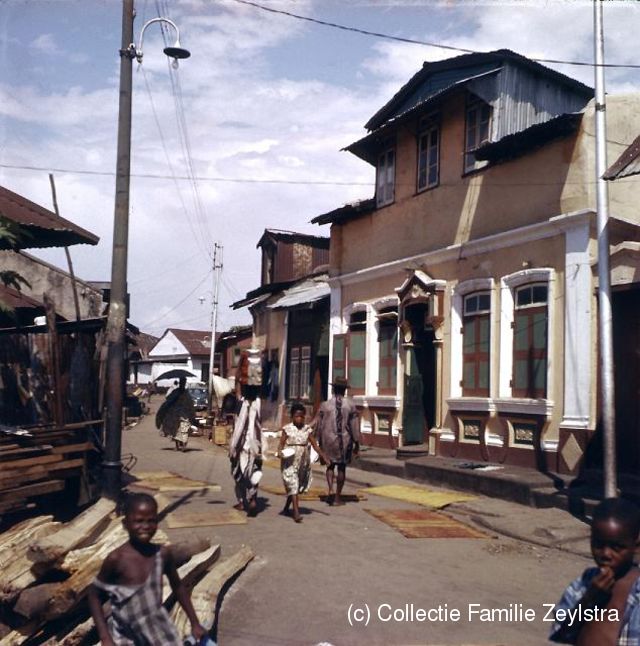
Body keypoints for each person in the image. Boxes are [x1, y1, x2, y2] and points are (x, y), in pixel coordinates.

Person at [88, 493, 207, 646]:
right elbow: (94, 595)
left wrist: (195, 623)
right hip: (126, 633)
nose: (145, 526)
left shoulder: (162, 555)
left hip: (157, 629)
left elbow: (178, 587)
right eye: (138, 521)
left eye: (151, 521)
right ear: (125, 524)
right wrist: (105, 637)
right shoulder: (116, 559)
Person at [549, 497, 640, 644]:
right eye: (598, 545)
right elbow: (561, 634)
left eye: (616, 548)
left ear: (636, 546)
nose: (606, 554)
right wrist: (588, 600)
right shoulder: (584, 583)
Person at [277, 401, 329, 523]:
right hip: (289, 462)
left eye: (301, 416)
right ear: (292, 417)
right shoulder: (287, 429)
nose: (299, 419)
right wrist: (280, 452)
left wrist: (324, 456)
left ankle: (286, 507)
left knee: (295, 486)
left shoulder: (307, 430)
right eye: (296, 416)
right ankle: (296, 513)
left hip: (302, 463)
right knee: (293, 484)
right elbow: (281, 444)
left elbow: (315, 445)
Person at [313, 376, 361, 506]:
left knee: (330, 465)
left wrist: (317, 440)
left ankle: (330, 489)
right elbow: (354, 426)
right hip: (344, 440)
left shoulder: (325, 405)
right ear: (345, 390)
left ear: (333, 389)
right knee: (341, 467)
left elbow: (318, 424)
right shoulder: (350, 405)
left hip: (328, 440)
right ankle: (337, 497)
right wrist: (357, 443)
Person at [228, 384, 262, 516]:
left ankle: (243, 501)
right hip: (256, 445)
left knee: (238, 474)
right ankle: (252, 499)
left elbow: (239, 428)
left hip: (243, 446)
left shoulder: (245, 406)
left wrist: (232, 448)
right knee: (254, 473)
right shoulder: (259, 403)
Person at [155, 376, 195, 451]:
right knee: (175, 430)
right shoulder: (176, 391)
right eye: (182, 382)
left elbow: (190, 404)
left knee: (184, 429)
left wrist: (191, 413)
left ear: (185, 383)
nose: (183, 383)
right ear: (180, 383)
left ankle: (183, 446)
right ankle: (177, 446)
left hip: (184, 414)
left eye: (184, 382)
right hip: (175, 414)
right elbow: (168, 399)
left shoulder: (186, 393)